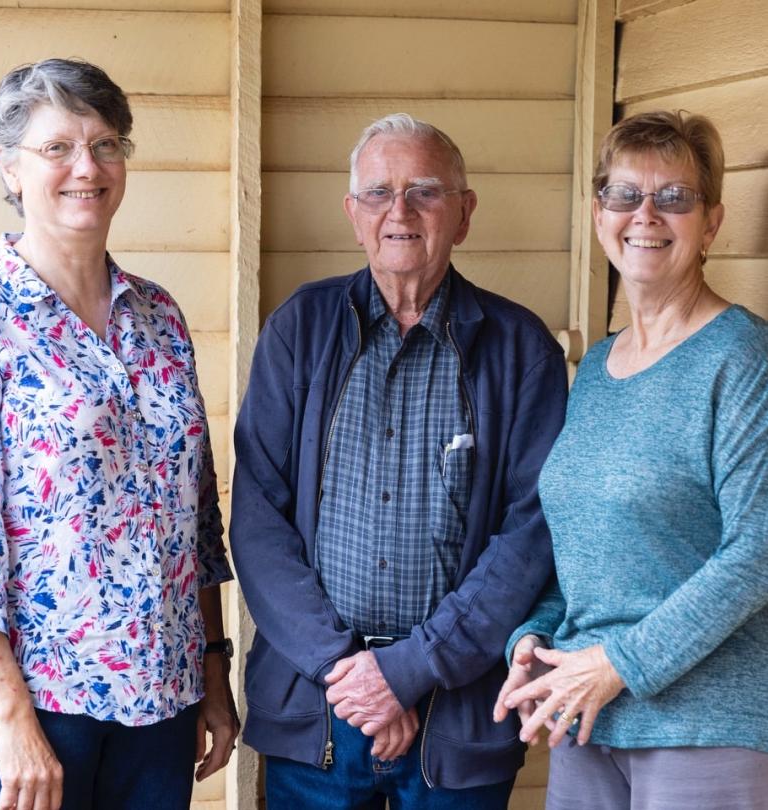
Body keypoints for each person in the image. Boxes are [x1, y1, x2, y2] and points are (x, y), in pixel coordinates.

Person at [0, 58, 238, 810]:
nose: (87, 167)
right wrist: (12, 720)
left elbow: (196, 517)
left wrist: (214, 668)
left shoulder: (159, 316)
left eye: (106, 145)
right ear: (10, 168)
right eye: (57, 148)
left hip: (159, 693)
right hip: (30, 699)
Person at [229, 113, 568, 808]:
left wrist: (409, 671)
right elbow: (258, 519)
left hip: (457, 714)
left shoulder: (520, 348)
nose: (400, 211)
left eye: (425, 192)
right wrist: (354, 675)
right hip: (320, 707)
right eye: (379, 193)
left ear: (464, 214)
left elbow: (532, 534)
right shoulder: (300, 328)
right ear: (354, 214)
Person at [494, 110, 768, 809]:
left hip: (702, 729)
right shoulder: (596, 369)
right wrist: (536, 639)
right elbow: (586, 550)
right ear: (599, 214)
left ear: (711, 223)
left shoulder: (742, 358)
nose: (645, 214)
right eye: (624, 194)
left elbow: (757, 552)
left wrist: (619, 663)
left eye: (674, 197)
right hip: (588, 721)